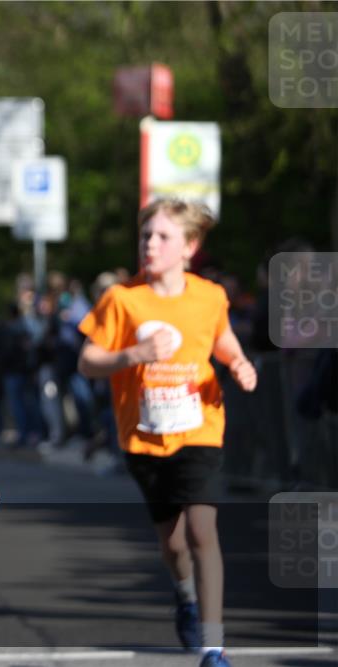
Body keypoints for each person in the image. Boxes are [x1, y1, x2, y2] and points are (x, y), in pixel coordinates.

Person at [77, 199, 257, 667]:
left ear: (188, 247)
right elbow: (87, 360)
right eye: (145, 236)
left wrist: (236, 362)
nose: (150, 245)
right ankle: (185, 598)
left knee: (202, 530)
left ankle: (214, 645)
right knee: (173, 541)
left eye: (162, 237)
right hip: (143, 436)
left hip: (199, 426)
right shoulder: (122, 298)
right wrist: (132, 355)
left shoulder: (209, 296)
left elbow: (220, 337)